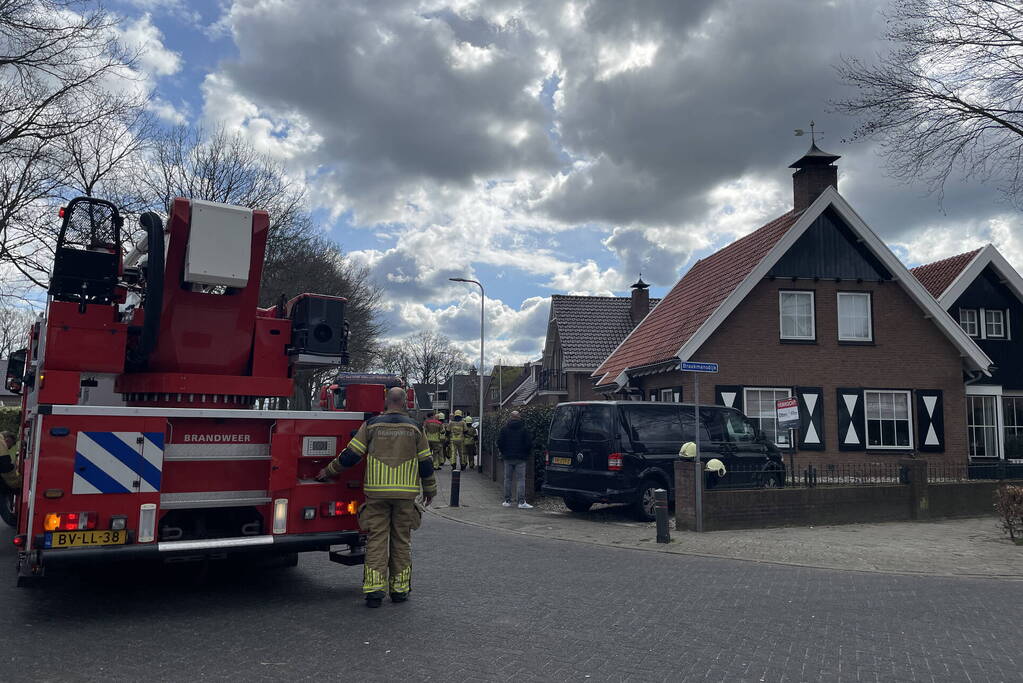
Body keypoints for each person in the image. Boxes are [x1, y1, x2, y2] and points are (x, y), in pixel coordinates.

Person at [316, 387, 437, 608]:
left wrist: (329, 471)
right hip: (405, 496)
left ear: (386, 401)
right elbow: (426, 463)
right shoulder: (415, 428)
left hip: (376, 493)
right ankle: (399, 591)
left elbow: (351, 456)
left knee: (376, 540)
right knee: (401, 541)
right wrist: (430, 490)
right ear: (405, 403)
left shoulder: (371, 425)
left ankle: (374, 592)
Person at [497, 411, 533, 509]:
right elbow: (529, 444)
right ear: (519, 417)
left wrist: (504, 452)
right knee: (520, 480)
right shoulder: (524, 429)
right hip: (520, 458)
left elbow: (499, 442)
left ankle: (507, 501)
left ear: (510, 418)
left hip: (508, 458)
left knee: (507, 479)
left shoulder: (504, 429)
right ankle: (521, 502)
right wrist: (525, 453)